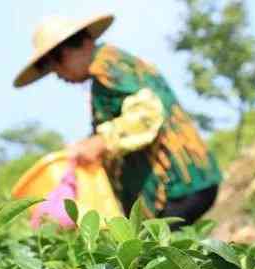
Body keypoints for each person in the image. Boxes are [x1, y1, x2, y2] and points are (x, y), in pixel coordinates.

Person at [13, 14, 222, 228]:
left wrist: (100, 143)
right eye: (49, 66)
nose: (56, 72)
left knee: (157, 255)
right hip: (182, 188)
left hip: (179, 186)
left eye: (58, 60)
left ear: (85, 43)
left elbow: (147, 113)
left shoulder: (109, 67)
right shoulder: (108, 68)